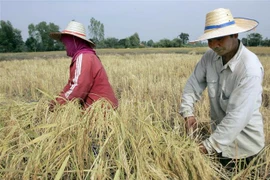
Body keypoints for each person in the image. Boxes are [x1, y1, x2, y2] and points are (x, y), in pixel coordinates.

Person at [179, 8, 265, 171]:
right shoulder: (210, 57)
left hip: (246, 152)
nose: (213, 45)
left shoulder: (249, 69)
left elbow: (236, 118)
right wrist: (188, 113)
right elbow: (193, 84)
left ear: (235, 35)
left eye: (219, 38)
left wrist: (206, 147)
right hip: (220, 148)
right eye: (210, 40)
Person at [49, 20, 118, 111]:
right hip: (103, 107)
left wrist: (57, 105)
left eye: (66, 43)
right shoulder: (87, 55)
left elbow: (78, 87)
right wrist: (57, 99)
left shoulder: (83, 57)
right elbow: (71, 84)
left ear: (74, 41)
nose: (65, 47)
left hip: (99, 110)